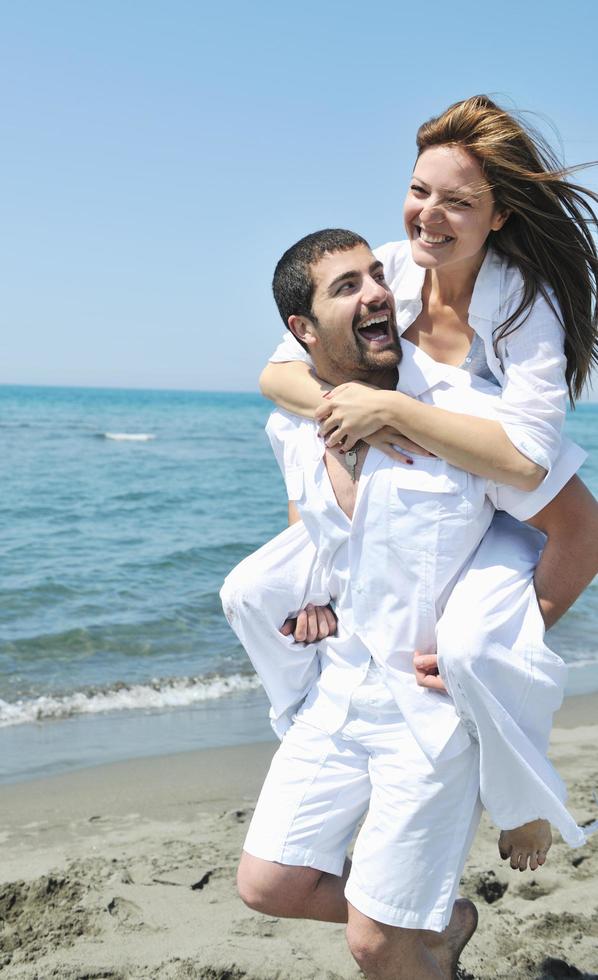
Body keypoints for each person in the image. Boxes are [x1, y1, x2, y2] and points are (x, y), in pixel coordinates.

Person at [222, 230, 596, 980]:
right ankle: (449, 920)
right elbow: (312, 523)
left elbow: (581, 535)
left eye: (375, 276)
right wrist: (314, 596)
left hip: (428, 719)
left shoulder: (465, 419)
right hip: (337, 690)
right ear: (302, 331)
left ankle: (409, 934)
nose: (378, 292)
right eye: (347, 287)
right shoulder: (292, 424)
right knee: (269, 883)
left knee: (374, 942)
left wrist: (492, 652)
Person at [256, 95, 598, 867]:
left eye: (458, 201)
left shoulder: (525, 307)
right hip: (432, 491)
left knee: (479, 648)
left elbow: (525, 461)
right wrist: (355, 412)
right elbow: (278, 375)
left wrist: (392, 412)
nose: (427, 215)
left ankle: (525, 805)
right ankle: (308, 719)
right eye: (420, 190)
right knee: (252, 592)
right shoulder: (392, 269)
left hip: (504, 503)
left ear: (501, 215)